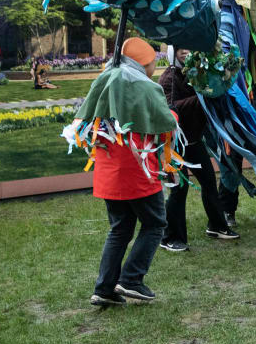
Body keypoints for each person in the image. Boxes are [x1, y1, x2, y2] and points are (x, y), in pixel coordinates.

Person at [90, 38, 169, 307]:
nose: (154, 69)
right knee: (155, 223)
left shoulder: (107, 80)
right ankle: (131, 279)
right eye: (152, 64)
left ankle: (104, 289)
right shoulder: (144, 87)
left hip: (109, 171)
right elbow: (164, 123)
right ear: (144, 64)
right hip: (136, 170)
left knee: (120, 229)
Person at [158, 47, 240, 250]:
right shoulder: (169, 78)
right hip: (174, 143)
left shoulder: (199, 73)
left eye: (189, 48)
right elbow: (170, 109)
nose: (186, 52)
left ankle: (217, 225)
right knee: (179, 187)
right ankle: (170, 237)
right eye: (180, 49)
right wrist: (201, 98)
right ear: (172, 52)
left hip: (194, 139)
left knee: (209, 181)